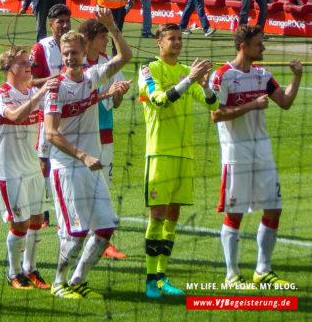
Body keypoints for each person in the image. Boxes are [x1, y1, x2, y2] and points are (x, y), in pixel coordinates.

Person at [45, 8, 132, 299]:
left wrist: (111, 26)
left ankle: (78, 278)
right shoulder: (56, 88)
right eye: (65, 53)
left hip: (90, 167)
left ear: (84, 52)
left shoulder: (92, 77)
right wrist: (82, 155)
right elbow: (51, 133)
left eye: (74, 53)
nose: (70, 58)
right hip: (67, 166)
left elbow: (125, 57)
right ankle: (59, 282)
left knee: (106, 227)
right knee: (76, 232)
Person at [210, 25, 302, 286]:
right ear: (243, 47)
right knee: (235, 213)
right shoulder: (222, 76)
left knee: (274, 209)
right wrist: (252, 104)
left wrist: (296, 77)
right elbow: (215, 114)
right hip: (236, 155)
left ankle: (263, 270)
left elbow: (284, 102)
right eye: (259, 44)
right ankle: (232, 275)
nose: (263, 48)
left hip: (263, 155)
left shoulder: (263, 75)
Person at [137, 22, 218, 299]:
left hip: (185, 153)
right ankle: (150, 281)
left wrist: (205, 87)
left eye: (180, 38)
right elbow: (159, 100)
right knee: (157, 215)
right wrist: (189, 81)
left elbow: (212, 104)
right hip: (159, 151)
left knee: (173, 215)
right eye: (171, 38)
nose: (177, 42)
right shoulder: (150, 69)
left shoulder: (186, 72)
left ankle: (162, 276)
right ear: (159, 42)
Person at [0, 46, 55, 290]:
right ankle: (13, 273)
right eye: (22, 63)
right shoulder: (1, 93)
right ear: (9, 69)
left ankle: (30, 269)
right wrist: (38, 96)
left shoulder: (31, 91)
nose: (29, 66)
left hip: (32, 169)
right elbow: (16, 115)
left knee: (37, 220)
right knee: (19, 224)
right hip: (9, 170)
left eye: (29, 62)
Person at [78, 18, 132, 260]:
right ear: (89, 40)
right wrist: (106, 93)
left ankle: (101, 239)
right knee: (84, 187)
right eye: (102, 38)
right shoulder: (75, 65)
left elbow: (115, 104)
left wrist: (118, 93)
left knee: (104, 186)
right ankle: (89, 235)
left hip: (104, 131)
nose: (105, 42)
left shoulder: (107, 64)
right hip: (82, 134)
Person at [29, 4, 72, 227]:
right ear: (50, 24)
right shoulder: (40, 48)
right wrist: (52, 81)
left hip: (73, 112)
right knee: (44, 162)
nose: (65, 26)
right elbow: (30, 81)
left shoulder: (76, 43)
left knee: (69, 160)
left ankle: (67, 210)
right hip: (46, 112)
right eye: (60, 22)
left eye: (67, 21)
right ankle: (43, 211)